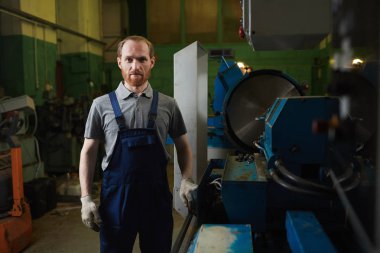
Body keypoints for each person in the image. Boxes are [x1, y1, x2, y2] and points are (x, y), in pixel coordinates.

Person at [79, 35, 197, 253]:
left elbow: (183, 146)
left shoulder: (168, 105)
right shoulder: (101, 105)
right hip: (116, 200)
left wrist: (187, 179)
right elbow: (88, 152)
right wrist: (86, 198)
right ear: (119, 62)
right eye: (129, 59)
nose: (135, 66)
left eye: (142, 59)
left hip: (156, 198)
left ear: (152, 61)